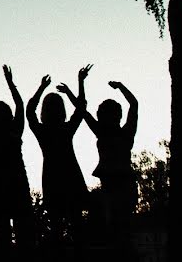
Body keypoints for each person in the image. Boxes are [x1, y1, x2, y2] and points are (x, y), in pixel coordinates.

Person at [27, 66, 90, 248]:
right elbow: (81, 109)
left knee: (56, 226)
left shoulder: (43, 132)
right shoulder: (66, 130)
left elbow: (30, 111)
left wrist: (41, 88)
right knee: (76, 223)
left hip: (52, 177)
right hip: (71, 175)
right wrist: (79, 83)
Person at [0, 65, 35, 259]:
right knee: (4, 229)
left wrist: (11, 84)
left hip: (12, 180)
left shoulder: (8, 130)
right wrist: (10, 84)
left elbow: (20, 106)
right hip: (3, 180)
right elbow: (19, 106)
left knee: (16, 230)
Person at [80, 79, 138, 257]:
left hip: (119, 183)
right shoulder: (119, 132)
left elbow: (82, 111)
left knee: (118, 225)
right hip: (114, 184)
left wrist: (121, 86)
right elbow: (83, 111)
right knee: (116, 226)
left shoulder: (118, 132)